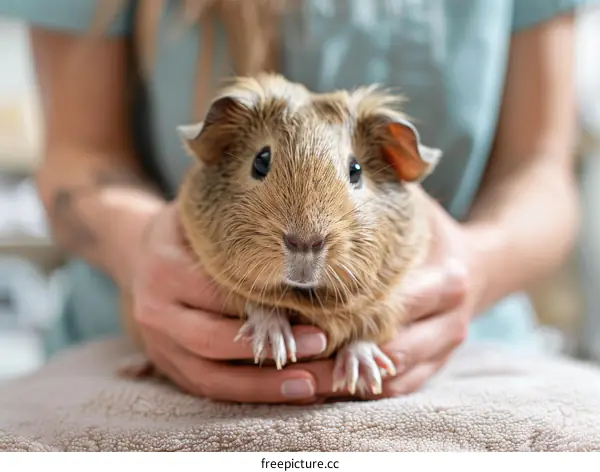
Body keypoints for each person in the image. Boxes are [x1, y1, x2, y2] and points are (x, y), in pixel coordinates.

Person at [0, 0, 595, 404]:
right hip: (133, 346)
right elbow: (76, 156)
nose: (306, 232)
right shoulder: (209, 193)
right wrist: (142, 251)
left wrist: (474, 266)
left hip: (458, 355)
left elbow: (542, 170)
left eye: (354, 172)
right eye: (262, 165)